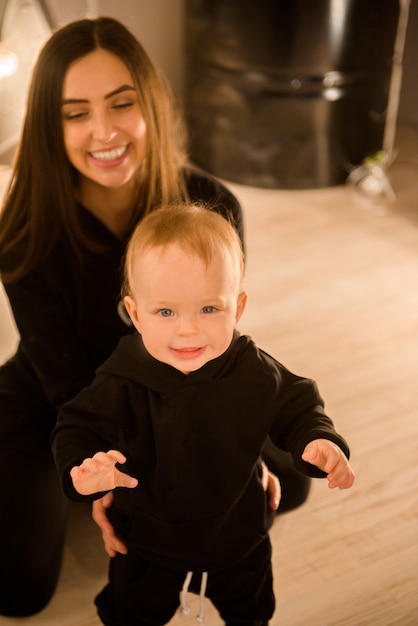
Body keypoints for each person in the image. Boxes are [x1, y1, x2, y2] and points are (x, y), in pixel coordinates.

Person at [0, 16, 304, 618]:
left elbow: (219, 340)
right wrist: (103, 474)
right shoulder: (25, 232)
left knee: (286, 484)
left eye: (121, 104)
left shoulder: (213, 206)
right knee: (20, 591)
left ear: (151, 106)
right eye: (75, 112)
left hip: (180, 384)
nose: (104, 131)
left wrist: (223, 448)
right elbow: (69, 387)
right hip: (57, 394)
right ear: (48, 125)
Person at [52, 203, 355, 626]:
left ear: (239, 308)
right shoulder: (121, 380)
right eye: (165, 311)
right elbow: (76, 425)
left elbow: (297, 403)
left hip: (239, 533)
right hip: (147, 540)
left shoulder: (251, 368)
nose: (187, 329)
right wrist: (82, 468)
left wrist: (318, 440)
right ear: (136, 314)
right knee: (132, 613)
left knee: (251, 611)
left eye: (209, 309)